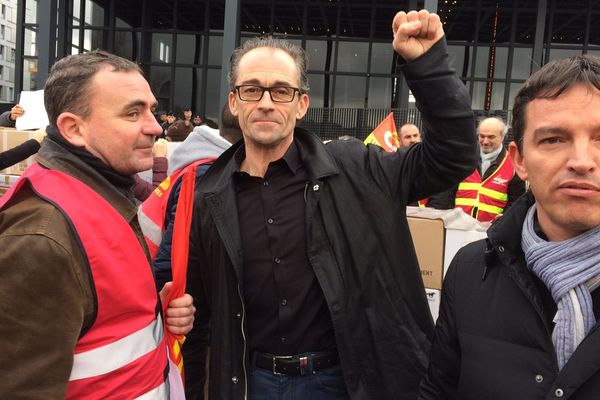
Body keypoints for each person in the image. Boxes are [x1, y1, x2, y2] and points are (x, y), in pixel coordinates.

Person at [184, 9, 477, 400]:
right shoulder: (209, 196)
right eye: (252, 90)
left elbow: (453, 156)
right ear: (235, 103)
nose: (267, 102)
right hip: (251, 382)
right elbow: (200, 309)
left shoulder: (358, 168)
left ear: (301, 105)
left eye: (281, 91)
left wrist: (428, 67)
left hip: (347, 379)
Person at [0, 50, 195, 398]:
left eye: (151, 109)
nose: (154, 126)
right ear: (74, 128)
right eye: (133, 113)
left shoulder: (100, 193)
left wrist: (152, 314)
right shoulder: (42, 235)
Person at [418, 55, 600, 400]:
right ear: (520, 160)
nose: (581, 161)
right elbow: (439, 388)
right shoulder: (469, 271)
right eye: (553, 139)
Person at [425, 116, 526, 215]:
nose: (485, 141)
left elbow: (516, 203)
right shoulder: (463, 159)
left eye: (491, 137)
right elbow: (447, 193)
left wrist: (501, 225)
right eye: (482, 136)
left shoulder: (513, 165)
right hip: (459, 226)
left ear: (502, 136)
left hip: (492, 229)